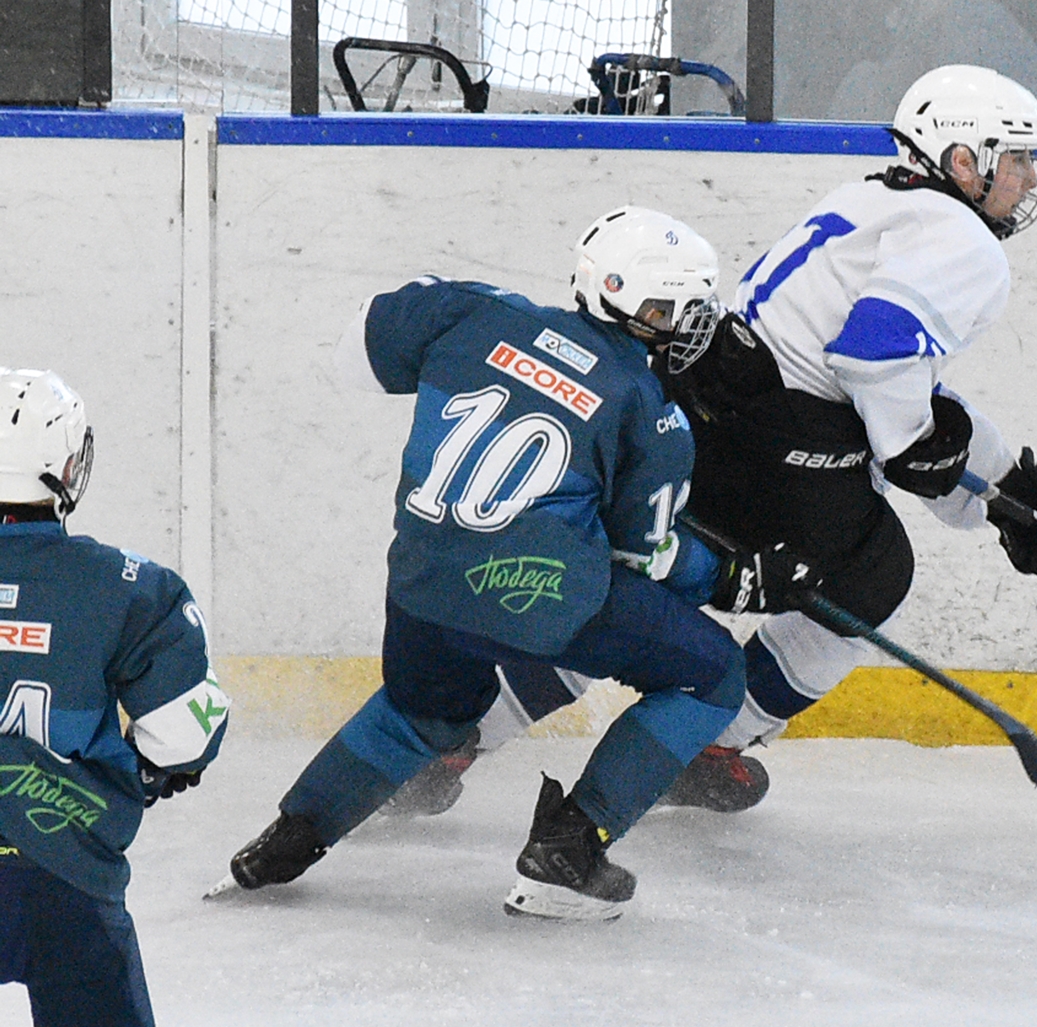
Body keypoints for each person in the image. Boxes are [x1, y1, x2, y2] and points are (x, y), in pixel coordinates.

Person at [415, 65, 1037, 814]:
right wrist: (919, 455)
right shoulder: (964, 239)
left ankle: (446, 740)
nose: (1028, 175)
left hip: (694, 417)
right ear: (962, 161)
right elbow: (876, 358)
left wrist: (1002, 488)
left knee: (632, 584)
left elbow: (884, 376)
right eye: (1016, 157)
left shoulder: (869, 198)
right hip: (776, 453)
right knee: (874, 576)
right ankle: (711, 743)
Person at [224, 209, 815, 922]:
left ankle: (292, 836)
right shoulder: (651, 411)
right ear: (648, 308)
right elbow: (642, 558)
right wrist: (734, 578)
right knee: (713, 674)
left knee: (424, 713)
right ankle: (571, 849)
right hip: (532, 593)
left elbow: (358, 350)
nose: (693, 325)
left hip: (421, 587)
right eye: (683, 308)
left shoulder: (473, 311)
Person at [0, 368, 230, 1027]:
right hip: (61, 872)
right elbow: (186, 736)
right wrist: (153, 774)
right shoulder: (132, 588)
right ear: (65, 466)